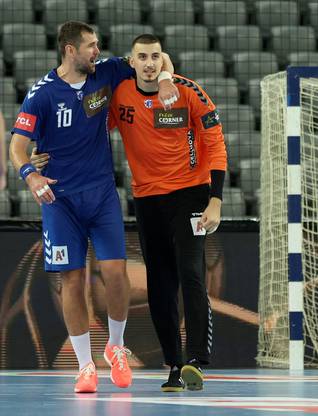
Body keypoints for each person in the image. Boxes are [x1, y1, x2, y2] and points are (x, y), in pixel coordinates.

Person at [9, 21, 179, 393]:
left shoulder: (106, 72)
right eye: (90, 46)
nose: (96, 50)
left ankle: (115, 347)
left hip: (101, 194)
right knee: (72, 279)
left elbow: (153, 56)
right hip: (60, 199)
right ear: (70, 50)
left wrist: (166, 79)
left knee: (115, 272)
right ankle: (85, 365)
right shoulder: (41, 94)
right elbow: (17, 147)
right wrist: (30, 176)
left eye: (97, 44)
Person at [108, 34, 226, 392]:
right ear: (132, 62)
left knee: (191, 271)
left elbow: (215, 143)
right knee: (159, 283)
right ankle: (174, 365)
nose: (149, 63)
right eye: (141, 57)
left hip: (190, 194)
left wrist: (216, 200)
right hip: (147, 199)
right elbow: (91, 129)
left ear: (163, 59)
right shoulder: (120, 97)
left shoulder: (188, 91)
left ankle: (196, 360)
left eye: (155, 57)